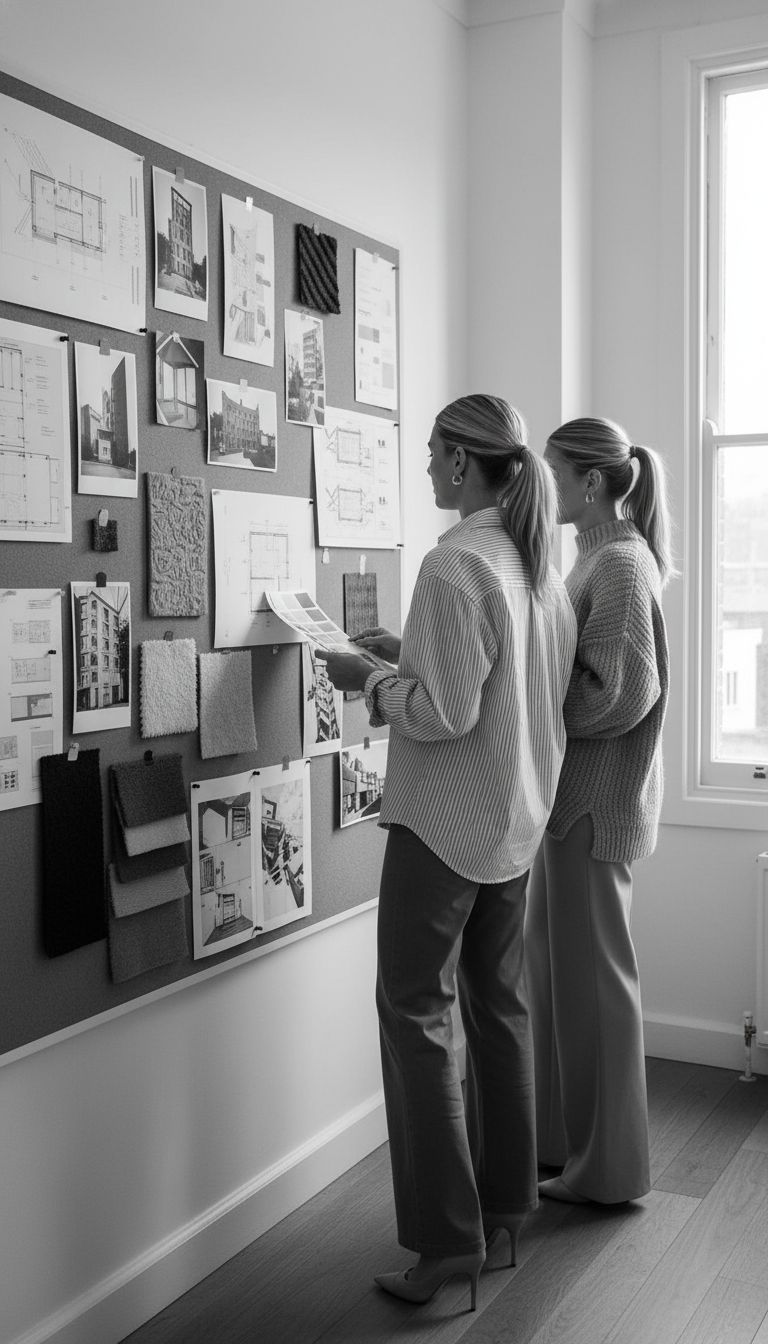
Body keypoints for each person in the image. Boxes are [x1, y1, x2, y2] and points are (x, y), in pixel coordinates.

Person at [322, 394, 576, 1312]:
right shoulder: (534, 560)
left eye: (433, 453)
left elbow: (442, 713)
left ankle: (444, 1246)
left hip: (445, 827)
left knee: (414, 1014)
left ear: (464, 461)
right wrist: (408, 656)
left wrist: (368, 678)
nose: (426, 467)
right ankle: (504, 1212)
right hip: (516, 824)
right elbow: (501, 684)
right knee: (500, 1010)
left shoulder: (453, 562)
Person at [525, 416, 672, 1206]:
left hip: (592, 804)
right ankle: (565, 1143)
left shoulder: (616, 563)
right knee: (562, 977)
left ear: (589, 482)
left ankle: (608, 1170)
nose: (542, 486)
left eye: (552, 472)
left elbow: (622, 692)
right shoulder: (598, 557)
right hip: (575, 802)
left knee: (595, 986)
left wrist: (538, 710)